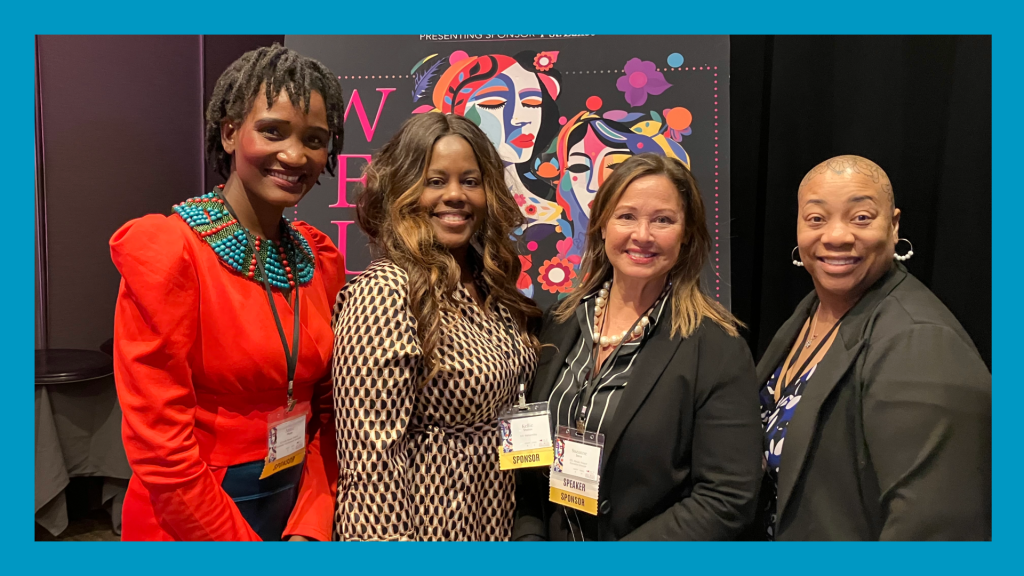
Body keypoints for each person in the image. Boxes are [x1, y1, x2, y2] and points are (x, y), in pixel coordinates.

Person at [109, 44, 346, 541]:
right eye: (273, 131)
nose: (295, 155)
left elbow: (330, 413)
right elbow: (161, 447)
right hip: (191, 518)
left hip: (296, 504)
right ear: (230, 131)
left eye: (315, 139)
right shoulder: (170, 252)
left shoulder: (319, 258)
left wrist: (310, 525)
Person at [512, 153, 763, 541]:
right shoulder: (560, 322)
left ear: (687, 234)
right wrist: (531, 541)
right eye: (626, 216)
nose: (642, 235)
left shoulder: (717, 348)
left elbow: (727, 497)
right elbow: (530, 460)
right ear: (601, 227)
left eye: (663, 220)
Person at [757, 155, 991, 540]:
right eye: (816, 219)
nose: (836, 235)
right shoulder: (811, 313)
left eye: (861, 217)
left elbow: (940, 530)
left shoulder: (922, 342)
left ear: (894, 224)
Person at [331, 112, 541, 541]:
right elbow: (371, 466)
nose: (455, 195)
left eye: (470, 180)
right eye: (435, 181)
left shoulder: (490, 283)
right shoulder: (385, 292)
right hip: (432, 524)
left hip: (500, 517)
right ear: (404, 190)